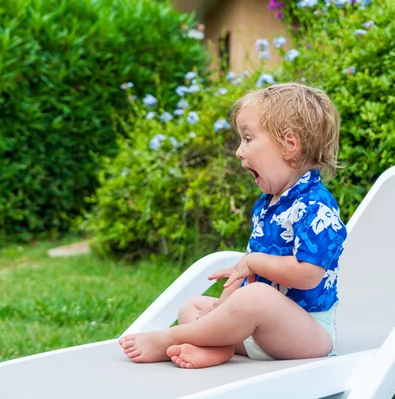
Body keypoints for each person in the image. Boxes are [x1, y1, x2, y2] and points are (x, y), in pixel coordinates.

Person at [119, 82, 347, 369]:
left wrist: (253, 263)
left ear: (290, 144)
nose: (240, 152)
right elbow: (246, 272)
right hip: (259, 330)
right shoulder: (268, 205)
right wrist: (222, 305)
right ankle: (218, 347)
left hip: (308, 335)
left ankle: (169, 338)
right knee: (194, 306)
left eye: (248, 139)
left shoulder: (317, 207)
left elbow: (308, 276)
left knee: (257, 296)